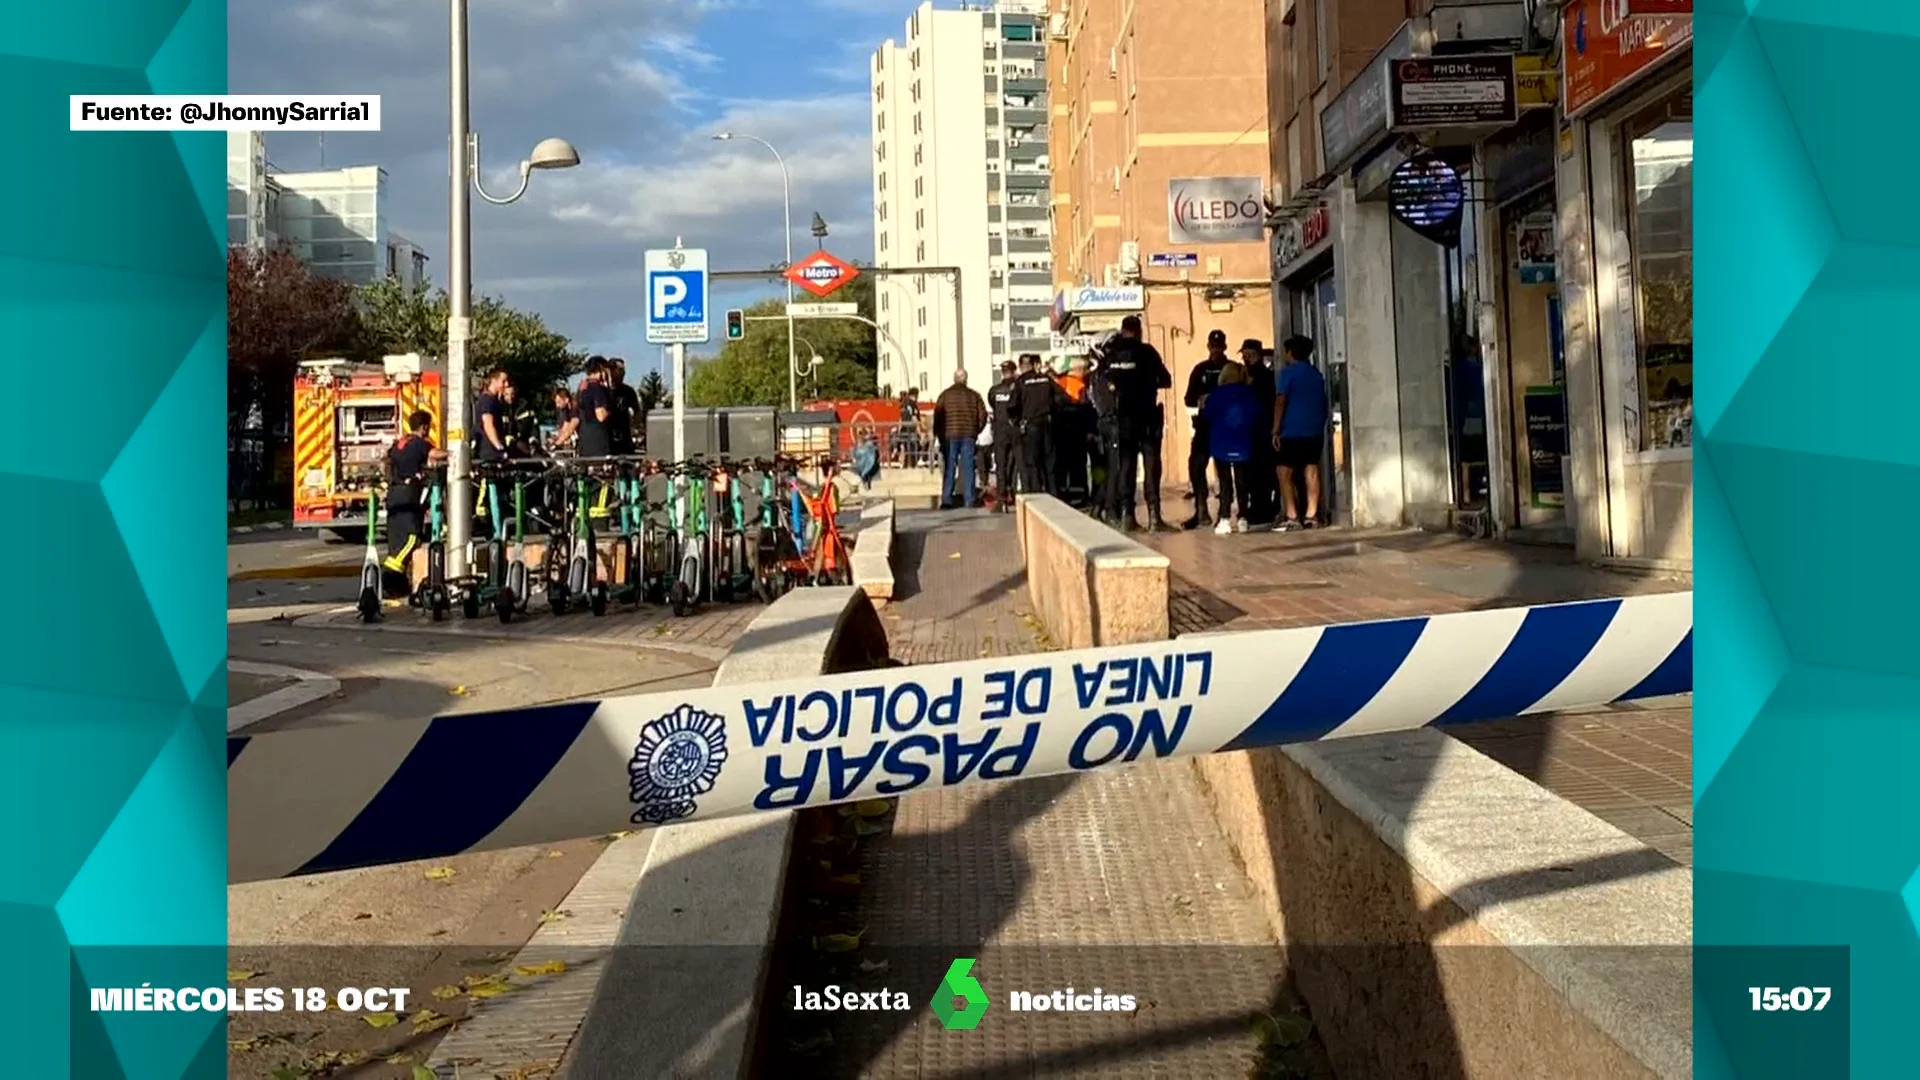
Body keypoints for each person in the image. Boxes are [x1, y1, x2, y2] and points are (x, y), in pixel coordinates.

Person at [1098, 315, 1173, 531]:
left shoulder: (1111, 355)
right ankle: (1154, 518)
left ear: (1122, 330)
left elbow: (1105, 383)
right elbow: (1166, 379)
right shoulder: (1147, 352)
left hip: (1124, 419)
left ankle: (1127, 516)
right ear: (1138, 330)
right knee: (1151, 466)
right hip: (1147, 417)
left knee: (1126, 467)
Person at [381, 409, 445, 597]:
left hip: (394, 494)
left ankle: (397, 584)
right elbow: (435, 454)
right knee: (412, 538)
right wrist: (455, 453)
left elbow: (386, 461)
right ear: (424, 427)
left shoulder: (399, 443)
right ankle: (389, 574)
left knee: (396, 541)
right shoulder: (419, 443)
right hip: (408, 495)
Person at [1272, 334, 1331, 530]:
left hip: (1291, 431)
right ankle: (1312, 515)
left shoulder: (1287, 374)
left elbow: (1281, 401)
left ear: (1290, 353)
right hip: (1313, 430)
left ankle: (1291, 515)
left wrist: (1275, 429)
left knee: (1284, 471)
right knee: (1311, 469)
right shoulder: (1316, 374)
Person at [1181, 329, 1235, 530]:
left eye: (1219, 347)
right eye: (1213, 347)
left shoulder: (1232, 370)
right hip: (1204, 425)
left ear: (1224, 347)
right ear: (1208, 347)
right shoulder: (1200, 369)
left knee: (1224, 470)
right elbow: (1188, 397)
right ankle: (1201, 510)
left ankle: (1224, 513)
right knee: (1196, 466)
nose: (1216, 350)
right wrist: (1201, 399)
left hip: (1225, 425)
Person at [1202, 362, 1259, 534]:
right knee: (1243, 480)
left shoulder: (1217, 395)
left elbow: (1207, 415)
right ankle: (1243, 517)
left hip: (1221, 441)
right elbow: (1257, 414)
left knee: (1225, 481)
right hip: (1243, 440)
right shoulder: (1249, 394)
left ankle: (1225, 517)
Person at [932, 367, 989, 509]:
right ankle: (969, 499)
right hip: (968, 435)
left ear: (954, 379)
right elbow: (983, 415)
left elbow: (938, 417)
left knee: (949, 468)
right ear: (966, 379)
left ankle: (946, 500)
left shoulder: (944, 395)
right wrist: (976, 431)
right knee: (968, 467)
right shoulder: (974, 396)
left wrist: (939, 434)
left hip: (949, 436)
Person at [1013, 353, 1067, 496]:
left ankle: (1036, 493)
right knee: (1049, 461)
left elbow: (1012, 405)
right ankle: (1053, 492)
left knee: (1032, 461)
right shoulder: (1046, 379)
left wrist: (1017, 421)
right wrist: (1053, 411)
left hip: (1031, 425)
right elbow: (1062, 397)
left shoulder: (1021, 381)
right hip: (1047, 423)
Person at [1242, 339, 1277, 525]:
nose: (1247, 359)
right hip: (1250, 433)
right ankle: (1256, 507)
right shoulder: (1244, 376)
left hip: (1263, 431)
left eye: (1251, 355)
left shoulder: (1265, 378)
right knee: (1251, 474)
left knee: (1262, 473)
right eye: (1244, 356)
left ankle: (1262, 509)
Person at [1054, 356, 1095, 505]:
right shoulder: (1079, 386)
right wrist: (1090, 429)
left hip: (1060, 431)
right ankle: (1080, 496)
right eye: (1084, 369)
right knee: (1078, 466)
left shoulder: (1059, 383)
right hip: (1077, 431)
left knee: (1062, 466)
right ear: (1077, 370)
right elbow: (1086, 410)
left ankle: (1063, 494)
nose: (1085, 372)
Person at [987, 360, 1021, 510]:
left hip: (1000, 430)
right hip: (1014, 428)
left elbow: (992, 404)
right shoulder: (1017, 388)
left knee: (1000, 464)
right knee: (1014, 463)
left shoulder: (995, 390)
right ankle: (1011, 492)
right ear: (1014, 371)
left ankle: (1001, 496)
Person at [576, 358, 615, 459]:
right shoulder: (597, 388)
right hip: (598, 440)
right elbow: (601, 415)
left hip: (584, 438)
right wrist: (610, 410)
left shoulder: (582, 387)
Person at [473, 368, 512, 464]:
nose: (506, 384)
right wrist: (498, 446)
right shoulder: (487, 400)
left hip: (492, 452)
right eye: (503, 381)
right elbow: (488, 424)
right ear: (494, 381)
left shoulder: (494, 400)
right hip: (490, 453)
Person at [607, 357, 640, 457]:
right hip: (608, 438)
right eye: (620, 370)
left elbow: (637, 411)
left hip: (625, 437)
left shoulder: (628, 391)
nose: (623, 373)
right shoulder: (603, 391)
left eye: (623, 370)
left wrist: (634, 426)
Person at [550, 385, 580, 450]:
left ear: (566, 400)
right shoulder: (565, 409)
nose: (557, 405)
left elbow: (570, 428)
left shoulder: (575, 407)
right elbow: (565, 427)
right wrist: (556, 438)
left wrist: (557, 444)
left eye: (558, 402)